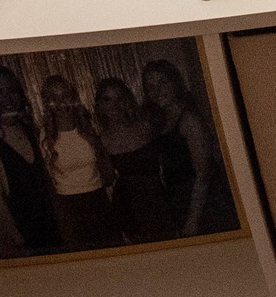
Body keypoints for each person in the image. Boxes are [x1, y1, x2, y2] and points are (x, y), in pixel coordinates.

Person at [0, 64, 57, 257]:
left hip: (52, 221)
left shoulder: (27, 128)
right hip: (25, 231)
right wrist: (17, 238)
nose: (7, 98)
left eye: (12, 90)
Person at [141, 58, 233, 239]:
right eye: (150, 86)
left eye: (163, 82)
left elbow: (203, 175)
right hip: (181, 198)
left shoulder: (189, 119)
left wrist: (192, 221)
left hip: (205, 201)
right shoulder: (162, 119)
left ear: (175, 82)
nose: (157, 90)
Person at [93, 75, 179, 244]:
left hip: (158, 199)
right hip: (129, 204)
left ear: (126, 100)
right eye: (107, 99)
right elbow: (107, 179)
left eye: (119, 98)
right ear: (100, 105)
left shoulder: (145, 125)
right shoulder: (101, 139)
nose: (114, 105)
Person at [38, 73, 119, 251]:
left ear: (73, 98)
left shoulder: (88, 125)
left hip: (98, 200)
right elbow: (49, 184)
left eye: (65, 96)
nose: (61, 103)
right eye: (54, 98)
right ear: (48, 103)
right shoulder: (46, 136)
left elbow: (108, 172)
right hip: (69, 207)